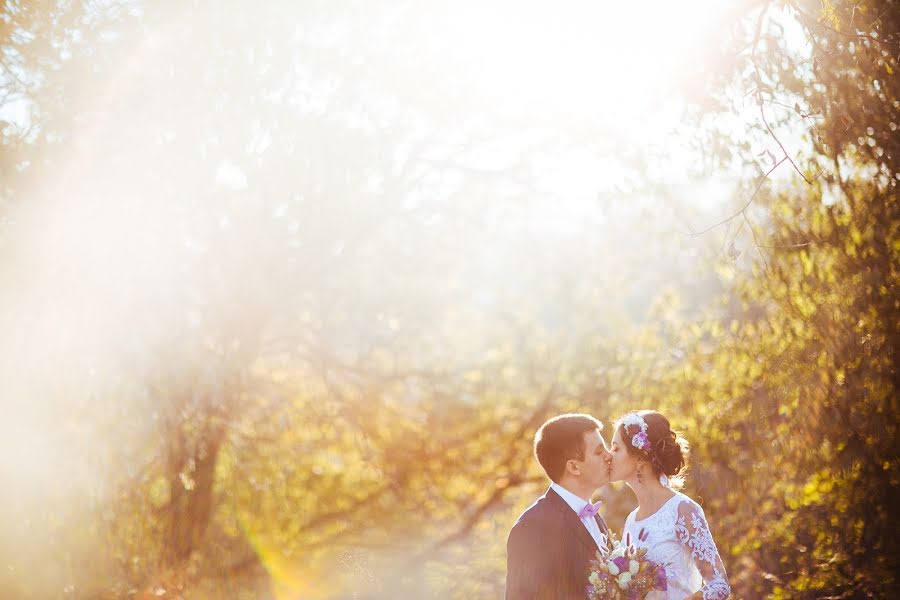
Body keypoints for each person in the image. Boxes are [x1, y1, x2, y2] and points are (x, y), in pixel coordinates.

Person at [608, 410, 731, 599]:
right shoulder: (631, 520)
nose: (609, 456)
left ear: (640, 457)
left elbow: (719, 585)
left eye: (616, 448)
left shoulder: (682, 510)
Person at [506, 413, 612, 600]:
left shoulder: (594, 517)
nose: (608, 456)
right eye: (598, 451)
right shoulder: (532, 527)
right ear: (573, 467)